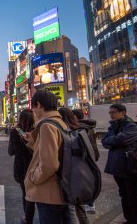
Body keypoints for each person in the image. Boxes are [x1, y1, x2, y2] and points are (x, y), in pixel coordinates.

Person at [23, 90, 71, 224]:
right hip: (62, 187)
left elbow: (49, 164)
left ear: (38, 105)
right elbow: (57, 151)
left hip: (48, 192)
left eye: (33, 107)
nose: (34, 111)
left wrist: (33, 178)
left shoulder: (46, 126)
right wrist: (33, 143)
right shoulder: (59, 123)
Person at [101, 104, 137, 224]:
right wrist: (114, 140)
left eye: (114, 112)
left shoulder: (130, 125)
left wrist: (114, 140)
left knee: (132, 197)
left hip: (129, 166)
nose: (111, 114)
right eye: (110, 113)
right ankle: (129, 219)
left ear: (123, 112)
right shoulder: (113, 126)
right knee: (123, 195)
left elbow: (121, 139)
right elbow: (105, 141)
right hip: (116, 167)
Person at [59, 108, 90, 224]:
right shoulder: (83, 130)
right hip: (83, 170)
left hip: (69, 172)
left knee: (70, 207)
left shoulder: (66, 132)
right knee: (80, 207)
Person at [8, 109, 36, 224]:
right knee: (35, 193)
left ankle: (27, 218)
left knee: (26, 194)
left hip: (21, 167)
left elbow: (11, 151)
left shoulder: (16, 131)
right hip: (35, 165)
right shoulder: (36, 130)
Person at [72, 109, 100, 214]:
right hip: (92, 154)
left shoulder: (80, 127)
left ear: (75, 116)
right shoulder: (89, 126)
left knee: (86, 179)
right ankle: (90, 203)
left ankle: (89, 203)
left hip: (86, 156)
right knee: (89, 178)